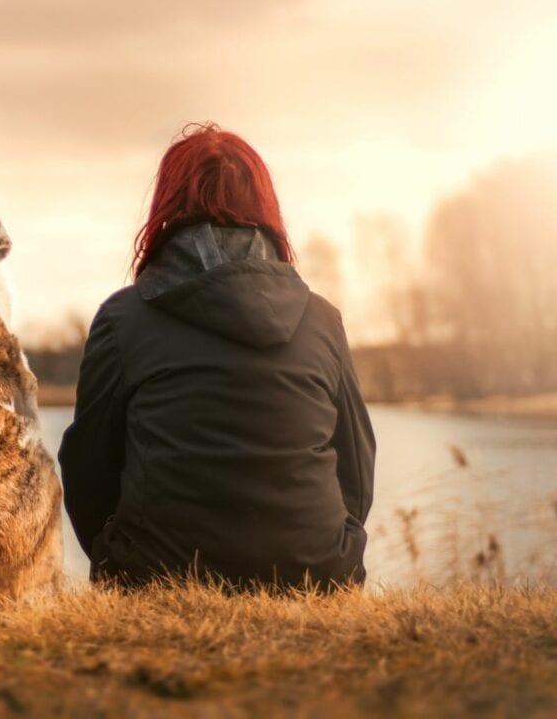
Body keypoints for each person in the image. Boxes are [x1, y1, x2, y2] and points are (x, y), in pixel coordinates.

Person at [57, 124, 375, 590]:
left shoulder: (123, 320)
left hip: (155, 575)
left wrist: (116, 556)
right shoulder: (322, 320)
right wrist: (334, 548)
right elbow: (357, 465)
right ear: (265, 208)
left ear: (167, 207)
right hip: (316, 575)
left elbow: (88, 468)